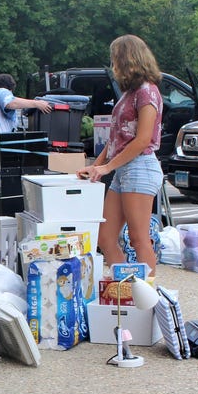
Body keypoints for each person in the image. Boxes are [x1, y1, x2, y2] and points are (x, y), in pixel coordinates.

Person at [76, 35, 164, 277]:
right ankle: (126, 286)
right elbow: (117, 139)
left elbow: (143, 140)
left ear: (126, 60)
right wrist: (96, 165)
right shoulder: (130, 94)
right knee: (105, 237)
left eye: (115, 59)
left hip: (140, 167)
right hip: (124, 169)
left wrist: (106, 167)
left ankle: (147, 296)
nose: (113, 65)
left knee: (138, 237)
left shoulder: (148, 92)